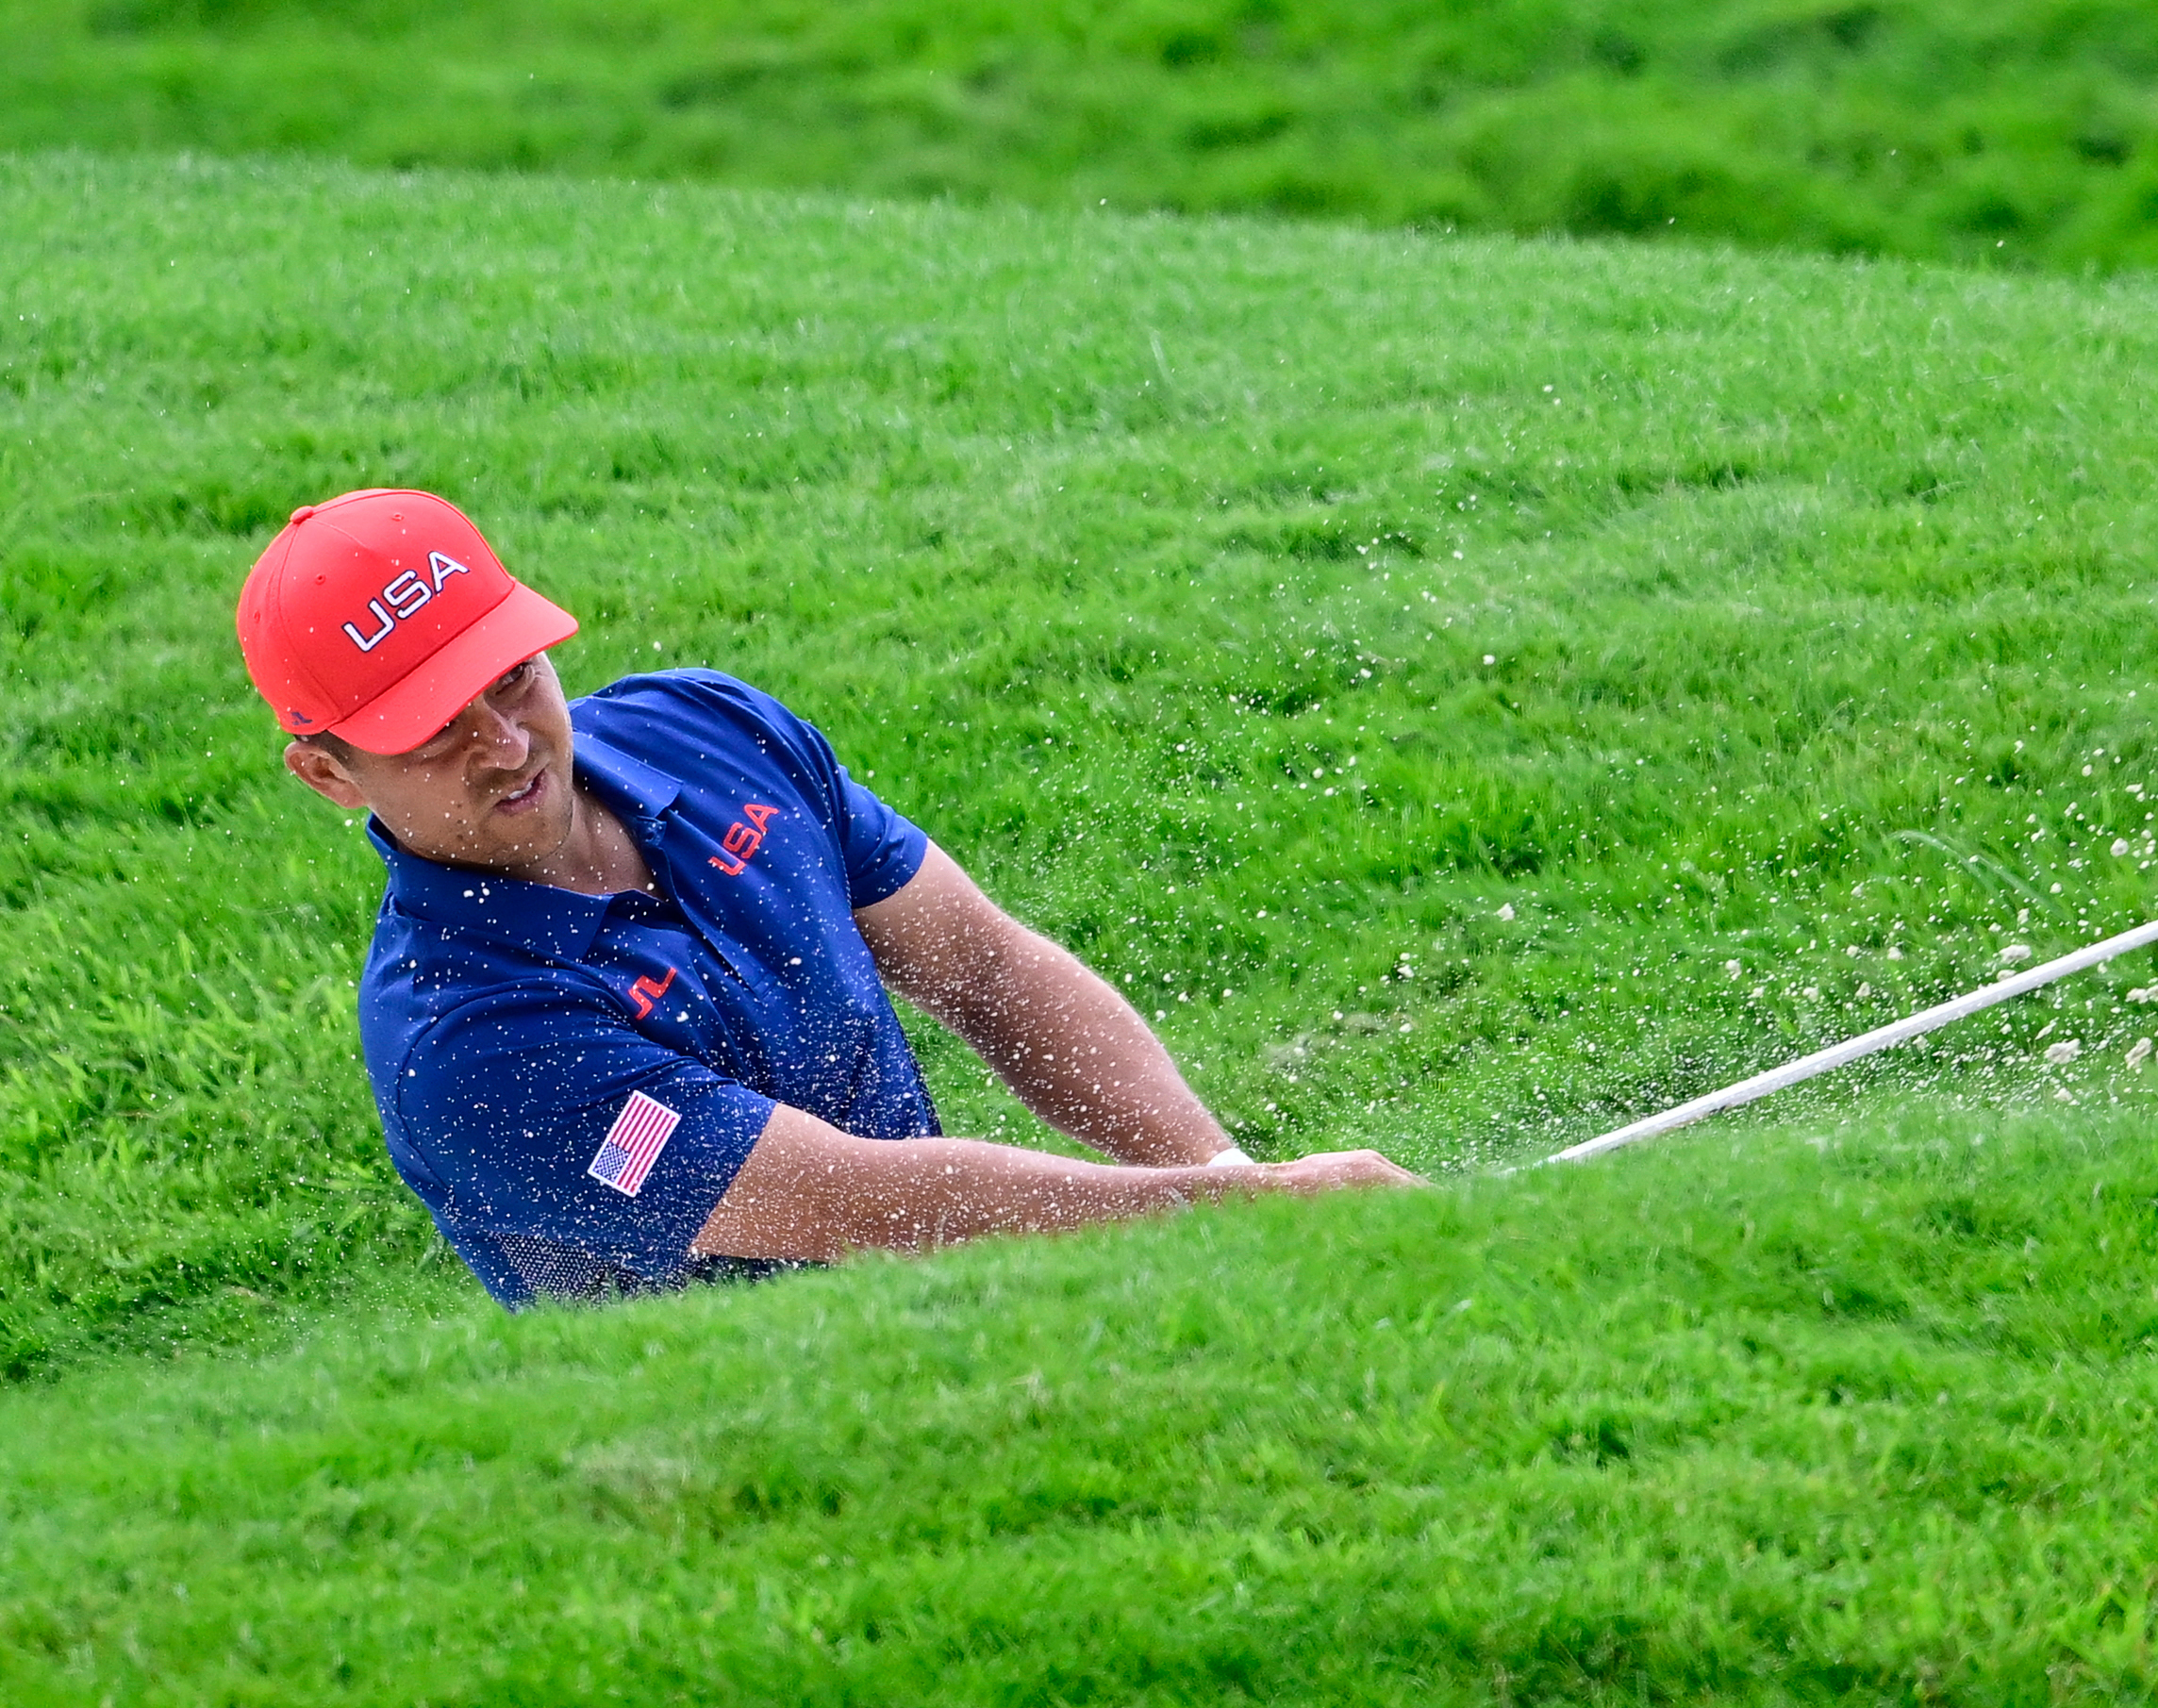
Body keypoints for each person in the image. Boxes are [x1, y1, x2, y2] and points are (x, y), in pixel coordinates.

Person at [235, 488, 1417, 1309]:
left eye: (514, 678)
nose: (506, 743)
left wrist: (1225, 1178)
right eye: (438, 730)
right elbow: (864, 1204)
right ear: (329, 770)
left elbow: (986, 970)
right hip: (784, 1469)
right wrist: (1237, 1212)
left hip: (997, 1317)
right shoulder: (466, 1039)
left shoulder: (708, 730)